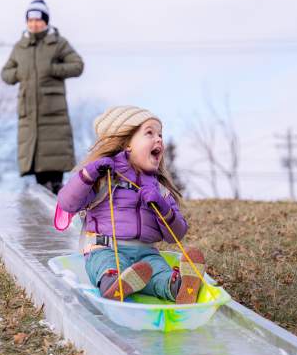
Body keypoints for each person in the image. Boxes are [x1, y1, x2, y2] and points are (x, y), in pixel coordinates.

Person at [57, 106, 206, 303]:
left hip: (146, 254)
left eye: (160, 134)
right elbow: (67, 203)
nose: (159, 139)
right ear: (127, 144)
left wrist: (162, 206)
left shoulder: (159, 189)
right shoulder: (104, 178)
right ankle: (113, 283)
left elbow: (176, 234)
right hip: (105, 248)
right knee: (106, 264)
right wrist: (88, 174)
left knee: (157, 271)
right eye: (150, 133)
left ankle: (177, 287)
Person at [1, 0, 84, 194]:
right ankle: (41, 190)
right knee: (37, 161)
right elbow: (5, 73)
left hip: (53, 112)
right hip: (29, 114)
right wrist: (19, 73)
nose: (34, 24)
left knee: (54, 159)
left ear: (46, 21)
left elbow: (77, 65)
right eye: (30, 20)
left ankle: (57, 190)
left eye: (38, 20)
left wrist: (54, 69)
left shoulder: (58, 43)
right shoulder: (20, 47)